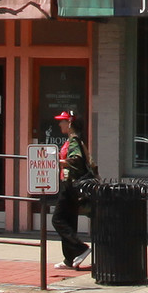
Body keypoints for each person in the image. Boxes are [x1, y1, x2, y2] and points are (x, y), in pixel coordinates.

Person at [54, 109, 92, 269]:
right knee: (69, 219)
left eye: (62, 121)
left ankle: (81, 248)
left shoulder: (74, 141)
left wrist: (59, 161)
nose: (59, 124)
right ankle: (69, 259)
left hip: (70, 185)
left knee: (57, 219)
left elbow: (77, 160)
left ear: (69, 123)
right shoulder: (71, 140)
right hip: (68, 183)